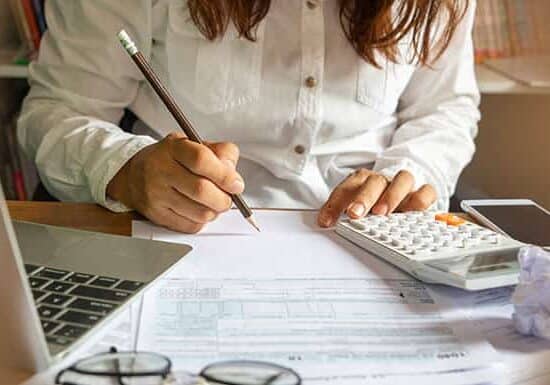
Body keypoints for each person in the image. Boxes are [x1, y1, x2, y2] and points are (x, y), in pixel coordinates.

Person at [18, 0, 479, 234]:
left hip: (374, 238)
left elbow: (444, 108)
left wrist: (408, 175)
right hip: (180, 233)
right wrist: (125, 169)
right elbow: (59, 109)